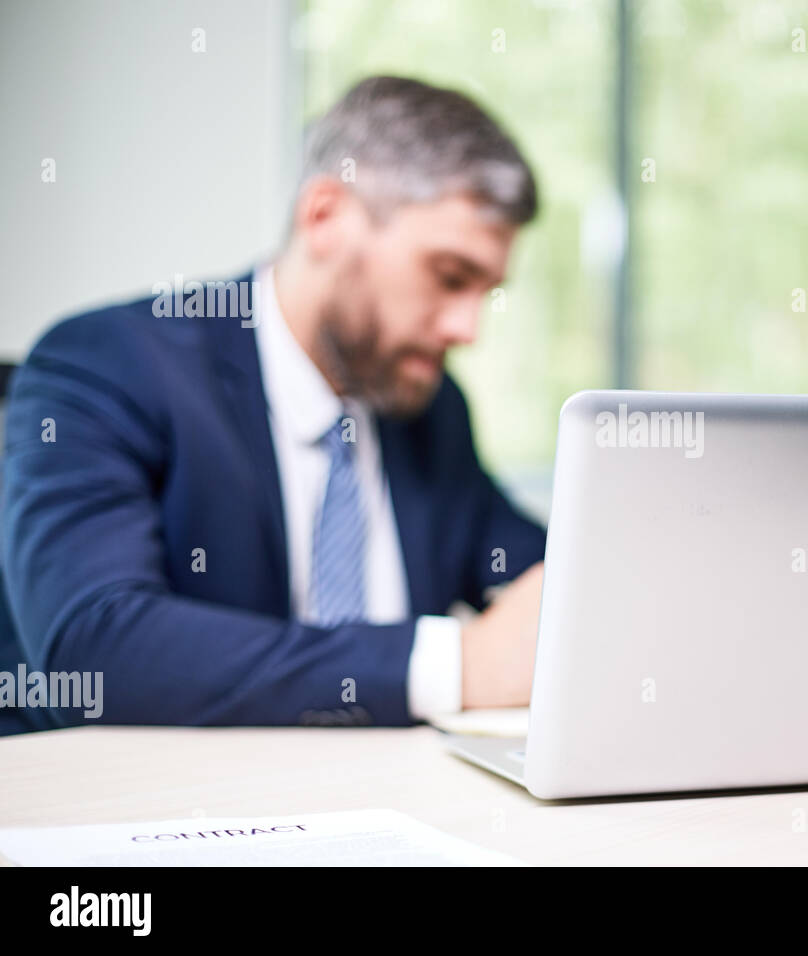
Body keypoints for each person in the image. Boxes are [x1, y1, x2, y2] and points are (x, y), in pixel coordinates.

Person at [1, 76, 546, 732]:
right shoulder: (109, 364)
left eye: (485, 291)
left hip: (399, 804)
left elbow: (539, 569)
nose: (467, 329)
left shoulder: (428, 406)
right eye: (449, 277)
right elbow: (90, 650)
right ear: (324, 217)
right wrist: (453, 666)